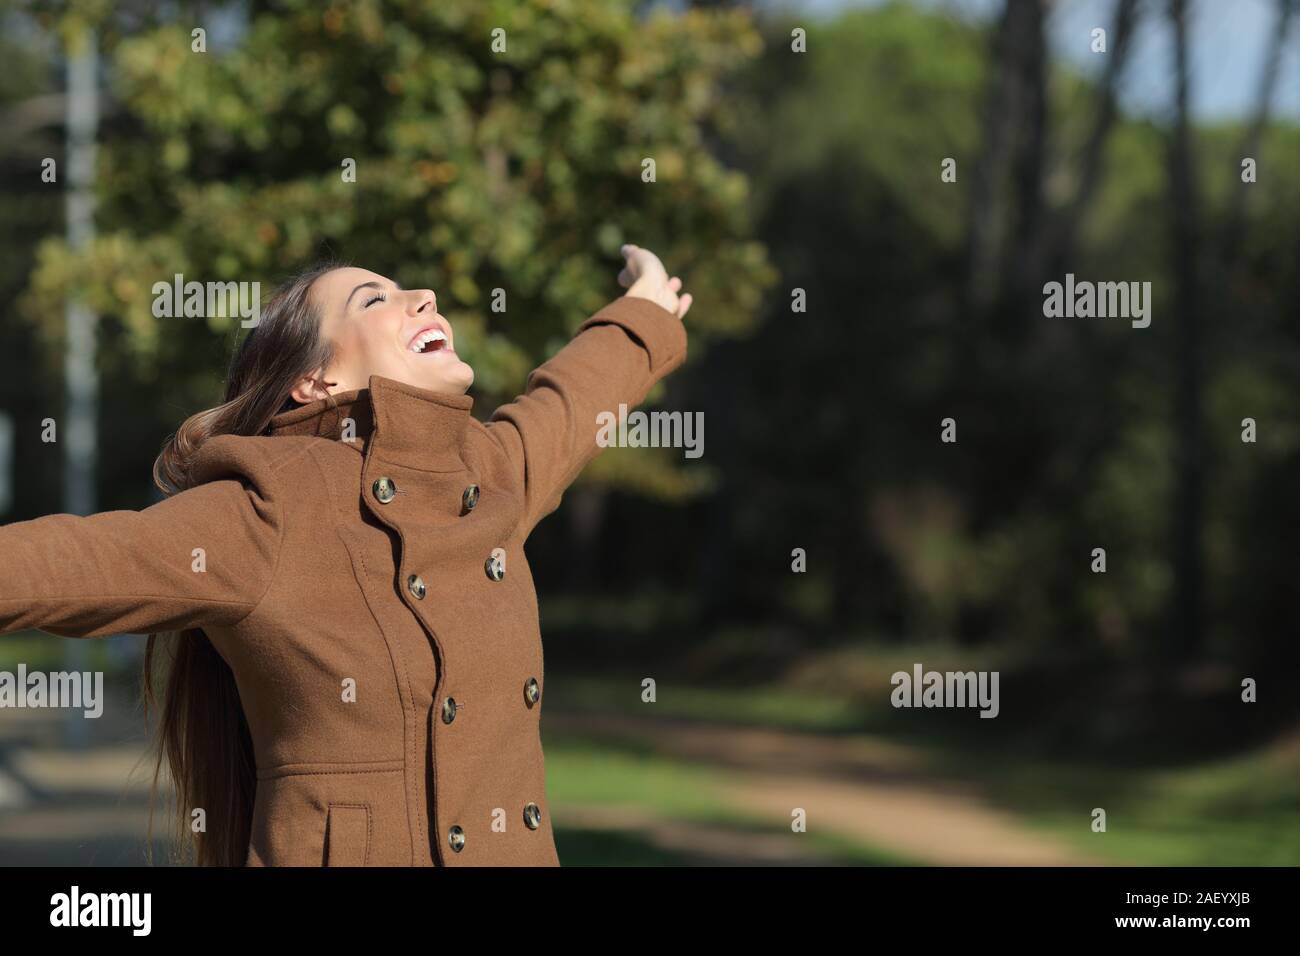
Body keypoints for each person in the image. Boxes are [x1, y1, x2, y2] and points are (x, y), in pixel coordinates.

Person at [0, 243, 691, 866]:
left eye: (407, 290)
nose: (422, 296)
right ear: (315, 381)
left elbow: (571, 403)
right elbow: (67, 562)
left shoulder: (490, 474)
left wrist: (644, 310)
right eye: (374, 299)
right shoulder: (267, 507)